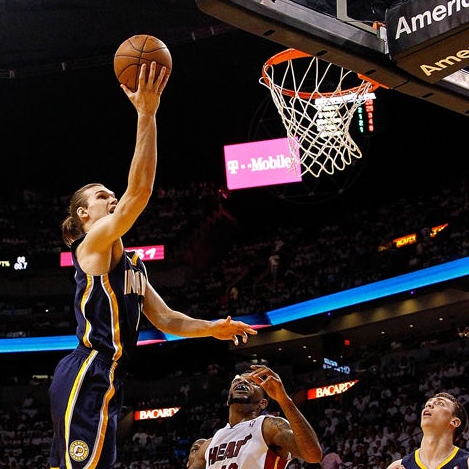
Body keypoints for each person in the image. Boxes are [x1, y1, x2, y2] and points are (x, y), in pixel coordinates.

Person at [48, 61, 258, 469]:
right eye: (102, 196)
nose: (112, 199)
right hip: (88, 370)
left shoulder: (132, 267)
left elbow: (167, 320)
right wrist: (147, 113)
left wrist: (214, 328)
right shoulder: (90, 247)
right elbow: (138, 193)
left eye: (112, 194)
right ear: (84, 215)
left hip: (107, 376)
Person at [188, 364, 323, 469]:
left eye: (253, 382)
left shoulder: (270, 426)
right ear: (228, 399)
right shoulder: (209, 444)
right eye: (237, 380)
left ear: (263, 403)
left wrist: (284, 400)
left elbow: (313, 455)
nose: (243, 382)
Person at [386, 392, 469, 469]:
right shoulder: (398, 466)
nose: (429, 405)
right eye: (428, 404)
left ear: (454, 422)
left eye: (440, 403)